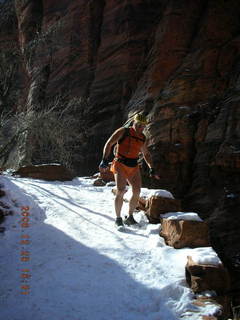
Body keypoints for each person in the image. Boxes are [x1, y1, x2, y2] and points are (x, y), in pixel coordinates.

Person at [99, 113, 160, 228]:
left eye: (143, 126)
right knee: (121, 190)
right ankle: (118, 218)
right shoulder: (123, 131)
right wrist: (104, 160)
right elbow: (109, 143)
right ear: (133, 122)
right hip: (120, 164)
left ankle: (130, 217)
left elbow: (146, 154)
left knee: (137, 191)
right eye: (138, 125)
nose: (140, 128)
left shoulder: (142, 138)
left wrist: (152, 168)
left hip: (133, 166)